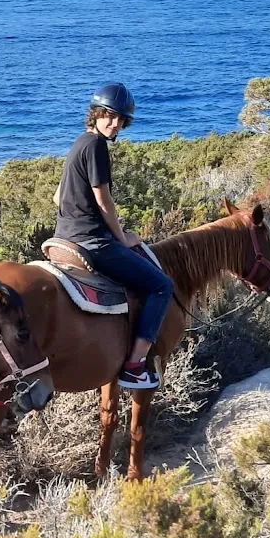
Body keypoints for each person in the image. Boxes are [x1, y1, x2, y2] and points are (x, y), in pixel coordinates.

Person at [53, 84, 173, 389]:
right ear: (96, 114)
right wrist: (121, 237)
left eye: (121, 119)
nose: (115, 123)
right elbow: (103, 200)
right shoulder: (96, 146)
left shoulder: (79, 143)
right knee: (161, 286)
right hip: (91, 242)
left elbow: (57, 197)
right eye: (109, 116)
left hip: (63, 238)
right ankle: (134, 366)